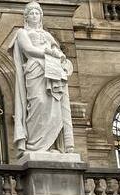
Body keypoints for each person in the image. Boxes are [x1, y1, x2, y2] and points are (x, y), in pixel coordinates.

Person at [10, 0, 74, 154]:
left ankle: (51, 146)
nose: (34, 15)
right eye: (31, 13)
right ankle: (34, 145)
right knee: (38, 102)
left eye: (37, 13)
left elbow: (57, 50)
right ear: (26, 17)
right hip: (35, 70)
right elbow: (29, 50)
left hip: (51, 71)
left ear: (41, 16)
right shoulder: (22, 33)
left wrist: (60, 55)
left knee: (53, 107)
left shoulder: (47, 35)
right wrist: (48, 52)